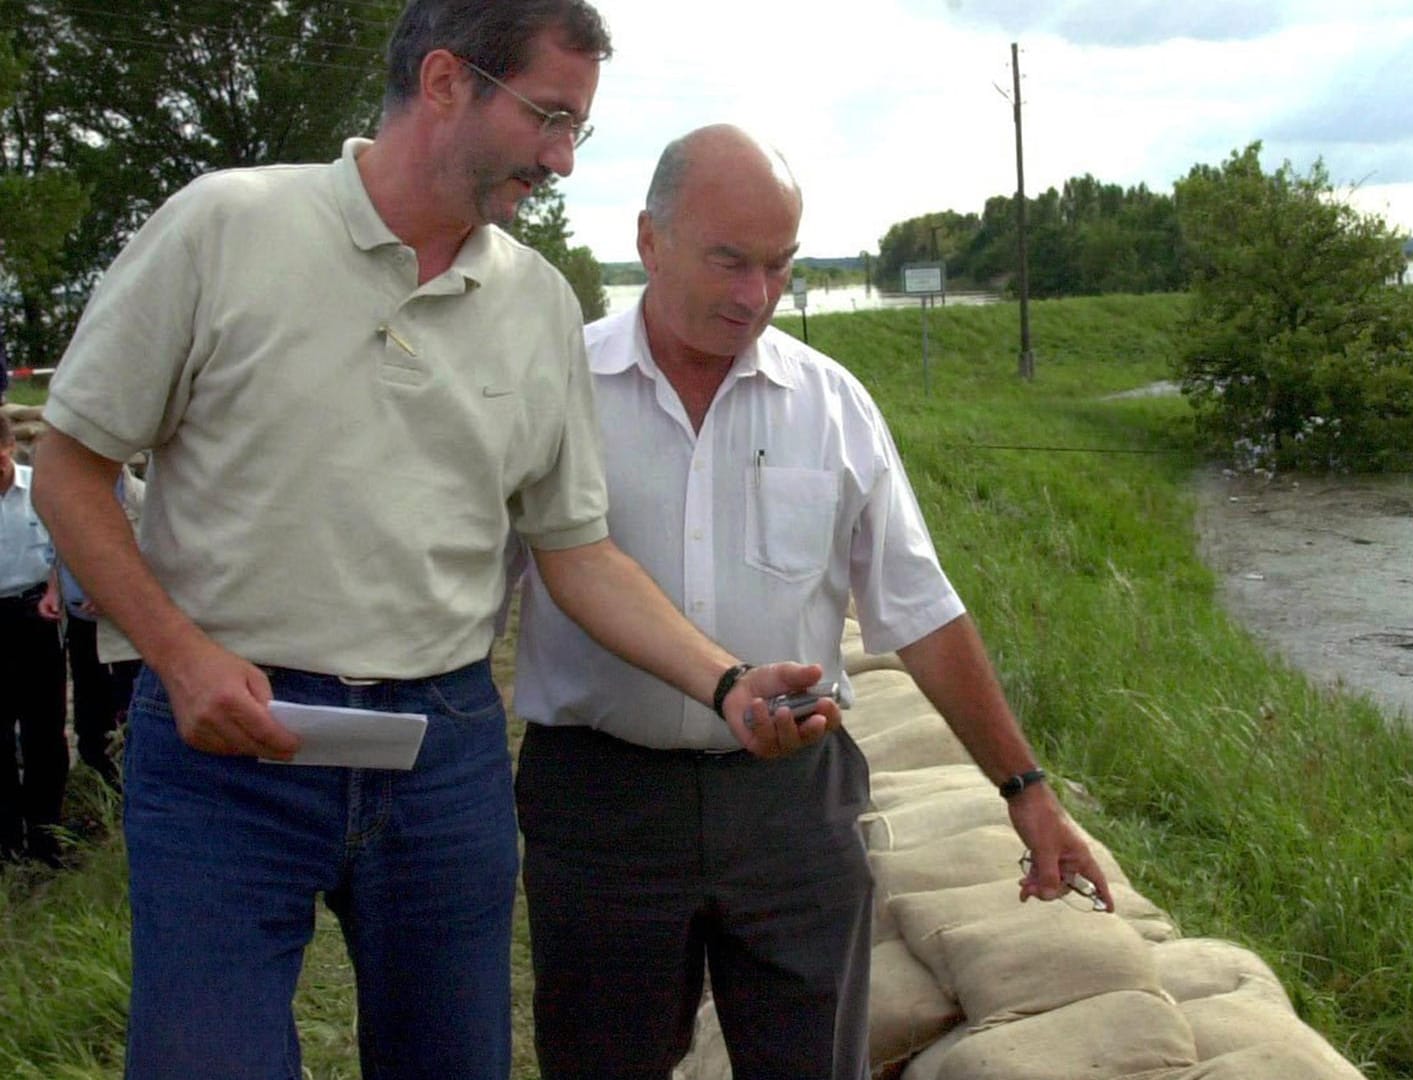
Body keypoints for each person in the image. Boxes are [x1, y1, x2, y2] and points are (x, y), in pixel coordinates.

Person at [31, 6, 834, 1078]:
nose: (560, 157)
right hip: (224, 743)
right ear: (448, 81)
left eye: (577, 131)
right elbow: (71, 471)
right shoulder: (223, 227)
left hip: (438, 755)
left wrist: (726, 682)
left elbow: (576, 550)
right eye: (550, 118)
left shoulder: (538, 304)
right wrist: (179, 658)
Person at [512, 124, 1113, 1080]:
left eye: (780, 266)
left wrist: (1026, 791)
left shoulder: (831, 405)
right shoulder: (555, 390)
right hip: (603, 806)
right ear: (649, 240)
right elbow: (464, 593)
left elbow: (919, 611)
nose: (756, 295)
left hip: (794, 807)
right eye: (729, 260)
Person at [0, 413, 67, 867]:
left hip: (35, 613)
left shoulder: (41, 491)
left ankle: (47, 836)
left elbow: (68, 546)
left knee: (45, 731)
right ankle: (6, 841)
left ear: (7, 449)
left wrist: (56, 591)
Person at [53, 464, 145, 789]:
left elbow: (156, 560)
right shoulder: (69, 490)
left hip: (127, 630)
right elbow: (56, 548)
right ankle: (97, 783)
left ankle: (127, 782)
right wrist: (55, 590)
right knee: (89, 711)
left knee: (127, 704)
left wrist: (112, 592)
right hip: (80, 622)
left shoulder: (141, 500)